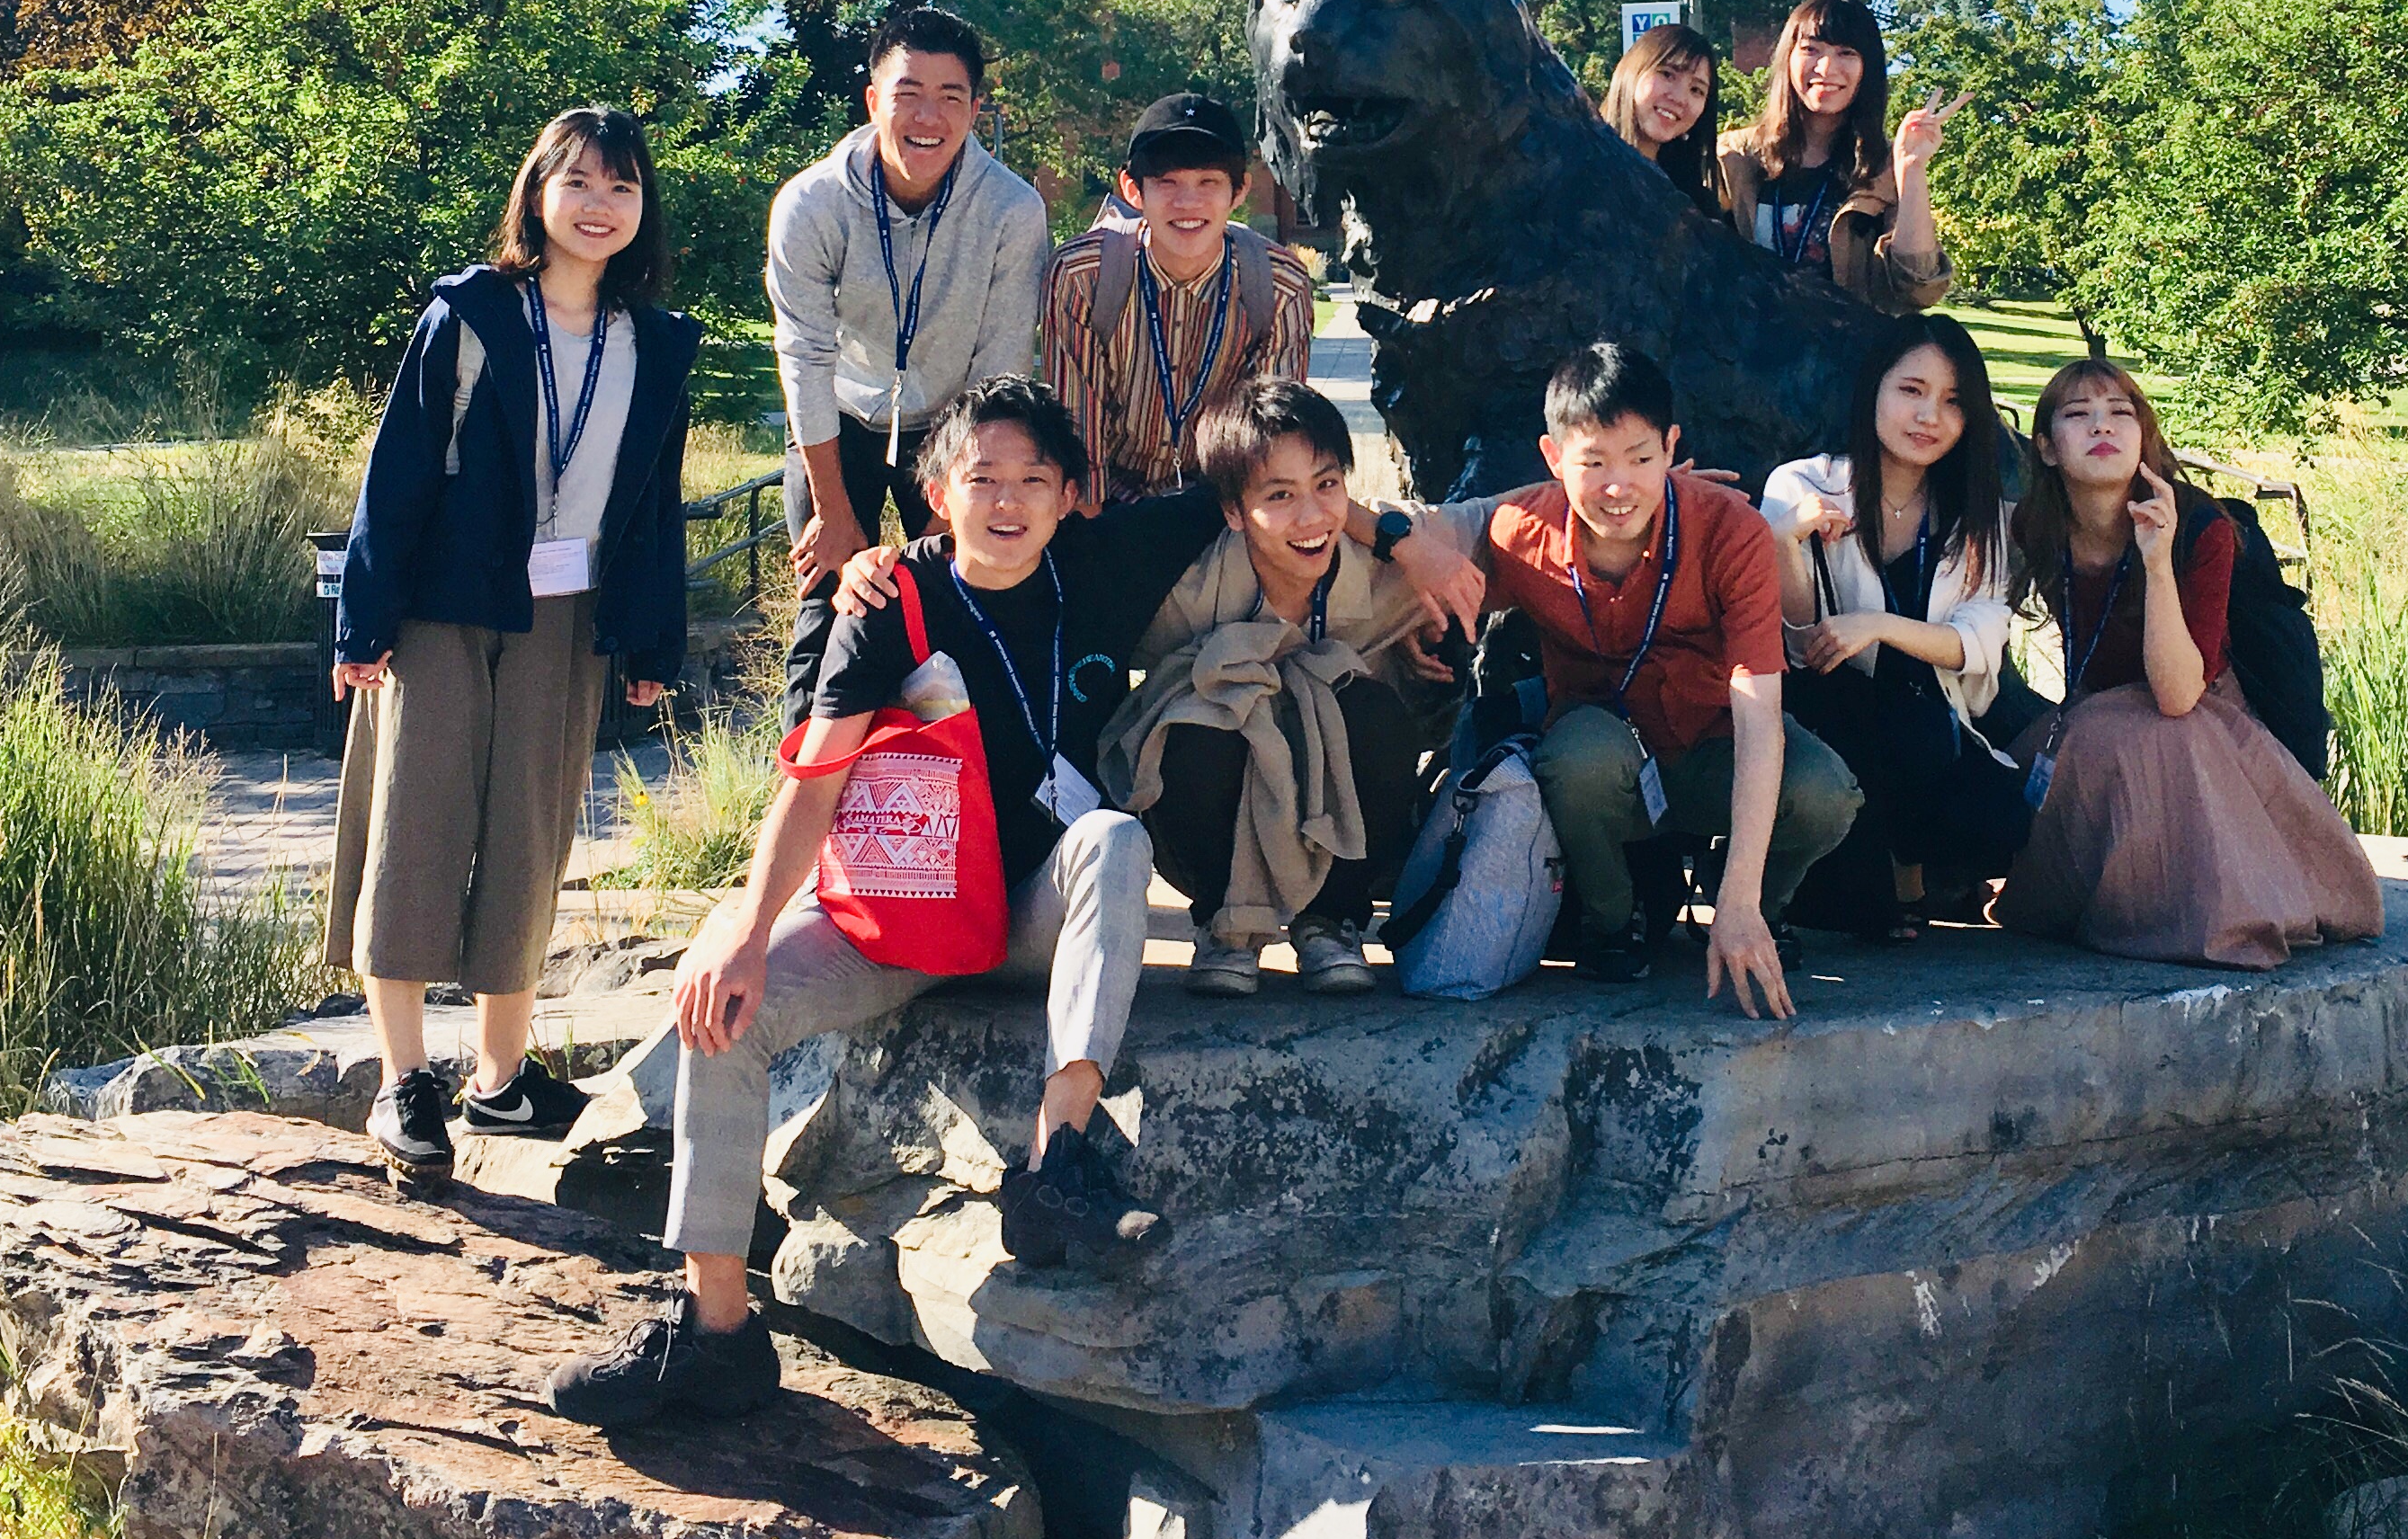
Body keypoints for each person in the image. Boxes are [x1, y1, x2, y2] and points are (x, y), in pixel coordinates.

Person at [556, 376, 1481, 1428]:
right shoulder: (889, 600)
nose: (1008, 500)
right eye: (981, 478)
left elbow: (1263, 481)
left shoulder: (1103, 559)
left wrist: (1404, 532)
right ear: (937, 492)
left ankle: (1057, 1165)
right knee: (725, 1015)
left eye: (1034, 480)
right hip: (908, 914)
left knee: (1113, 839)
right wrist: (745, 929)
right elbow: (814, 776)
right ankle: (716, 1331)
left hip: (1033, 913)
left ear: (1073, 494)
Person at [328, 108, 700, 1171]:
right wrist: (364, 619)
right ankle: (404, 1083)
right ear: (537, 193)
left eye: (622, 189)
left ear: (643, 211)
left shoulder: (658, 345)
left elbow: (654, 508)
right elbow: (395, 472)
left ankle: (499, 1080)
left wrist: (651, 646)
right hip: (446, 602)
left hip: (570, 612)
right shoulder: (474, 313)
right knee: (417, 822)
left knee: (531, 837)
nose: (599, 206)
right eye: (578, 182)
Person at [1397, 342, 1860, 1013]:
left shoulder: (1732, 532)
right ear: (1554, 459)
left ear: (1671, 448)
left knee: (1827, 794)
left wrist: (1739, 897)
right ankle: (1612, 922)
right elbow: (1428, 568)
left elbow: (1759, 710)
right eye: (1593, 463)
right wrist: (1420, 623)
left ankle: (1754, 903)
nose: (1619, 487)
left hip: (1711, 736)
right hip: (1602, 747)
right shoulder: (1519, 531)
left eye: (1641, 459)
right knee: (1578, 758)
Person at [1990, 360, 2378, 971]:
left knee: (2139, 740)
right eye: (2078, 415)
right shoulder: (2038, 526)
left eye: (2122, 414)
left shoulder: (2201, 528)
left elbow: (2177, 693)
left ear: (2145, 437)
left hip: (2199, 710)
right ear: (2045, 447)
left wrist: (2157, 560)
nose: (2103, 428)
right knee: (2032, 754)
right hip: (2103, 711)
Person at [1102, 379, 1451, 997]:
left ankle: (1333, 922)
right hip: (1205, 821)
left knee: (1374, 713)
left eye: (1327, 485)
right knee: (1197, 718)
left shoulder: (1388, 563)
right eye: (1280, 495)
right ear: (1234, 511)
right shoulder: (1178, 591)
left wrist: (1666, 493)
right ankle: (1225, 926)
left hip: (1332, 810)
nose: (1312, 516)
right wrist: (877, 565)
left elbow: (1515, 522)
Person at [769, 7, 1054, 672]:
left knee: (955, 609)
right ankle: (819, 768)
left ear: (976, 109)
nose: (929, 119)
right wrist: (834, 510)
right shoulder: (811, 205)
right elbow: (804, 355)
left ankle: (950, 772)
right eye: (908, 96)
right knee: (829, 615)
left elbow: (1002, 364)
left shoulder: (1012, 211)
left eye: (950, 98)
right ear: (873, 101)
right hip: (837, 418)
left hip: (956, 422)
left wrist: (942, 525)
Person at [1762, 312, 2033, 940]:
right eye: (1911, 391)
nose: (1928, 417)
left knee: (2004, 816)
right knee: (1852, 716)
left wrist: (1879, 625)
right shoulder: (1804, 483)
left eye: (1952, 401)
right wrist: (1784, 540)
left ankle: (1908, 867)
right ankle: (1862, 884)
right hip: (1824, 712)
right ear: (1873, 390)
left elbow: (1980, 641)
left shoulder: (1976, 515)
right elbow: (1798, 644)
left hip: (1929, 724)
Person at [1039, 93, 1320, 507]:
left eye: (1209, 182)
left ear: (1239, 191)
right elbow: (1077, 434)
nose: (1188, 203)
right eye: (1166, 182)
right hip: (1110, 494)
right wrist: (1096, 544)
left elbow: (1273, 441)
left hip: (1222, 500)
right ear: (1133, 190)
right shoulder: (1084, 277)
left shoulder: (1279, 285)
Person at [1715, 0, 1952, 314]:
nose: (1826, 68)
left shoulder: (1883, 172)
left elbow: (1919, 288)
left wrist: (1911, 169)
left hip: (1848, 355)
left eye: (1846, 53)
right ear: (1788, 58)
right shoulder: (1732, 159)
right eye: (1811, 50)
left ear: (1867, 69)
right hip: (1746, 352)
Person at [1601, 19, 1729, 224]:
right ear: (1631, 72)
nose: (1679, 98)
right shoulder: (1571, 167)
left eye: (1696, 90)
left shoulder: (1697, 209)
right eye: (1667, 74)